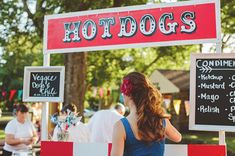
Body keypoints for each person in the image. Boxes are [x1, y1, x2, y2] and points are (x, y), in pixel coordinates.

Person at [111, 72, 182, 156]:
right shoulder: (161, 121)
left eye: (123, 92)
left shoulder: (120, 126)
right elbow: (178, 138)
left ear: (129, 95)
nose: (122, 95)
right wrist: (161, 132)